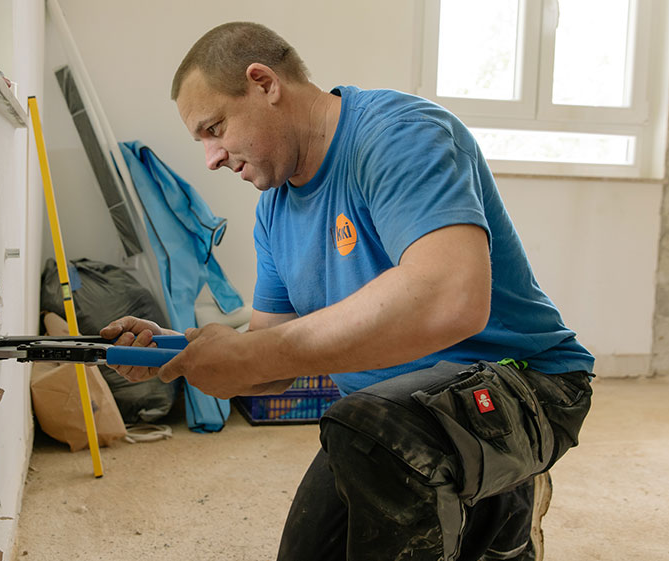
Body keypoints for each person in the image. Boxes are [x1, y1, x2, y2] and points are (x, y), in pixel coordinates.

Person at [101, 21, 593, 561]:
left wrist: (253, 352)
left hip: (529, 385)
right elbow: (274, 361)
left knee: (368, 435)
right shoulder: (273, 212)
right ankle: (493, 506)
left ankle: (502, 507)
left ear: (264, 83)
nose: (211, 158)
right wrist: (185, 352)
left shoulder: (399, 134)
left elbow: (452, 297)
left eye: (215, 128)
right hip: (383, 421)